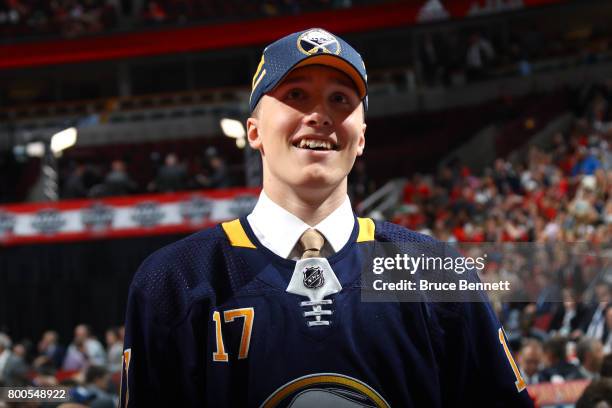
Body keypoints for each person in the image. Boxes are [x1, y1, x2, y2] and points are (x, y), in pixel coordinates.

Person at [120, 28, 534, 407]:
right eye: (296, 95)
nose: (319, 115)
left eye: (340, 99)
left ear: (363, 135)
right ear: (254, 131)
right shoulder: (175, 279)